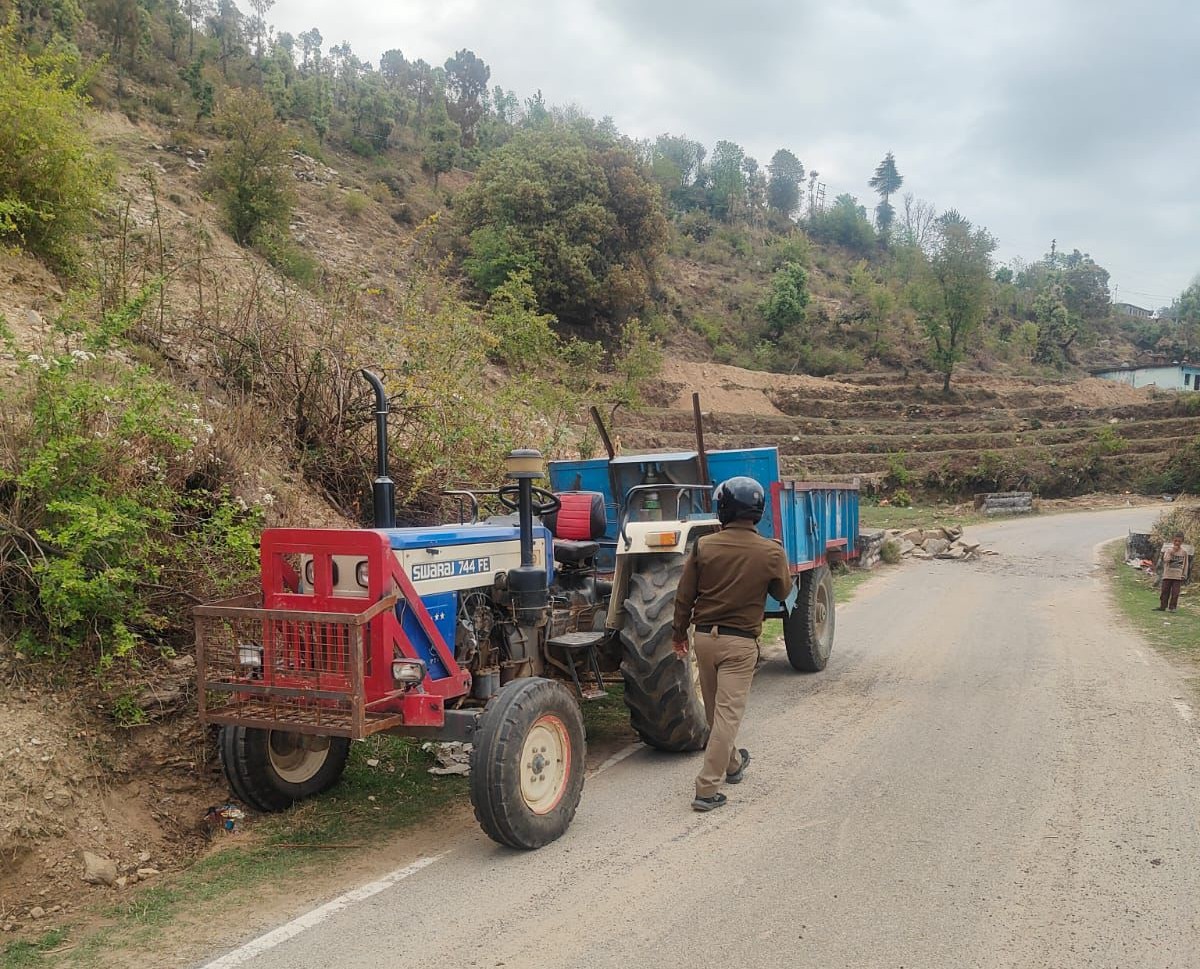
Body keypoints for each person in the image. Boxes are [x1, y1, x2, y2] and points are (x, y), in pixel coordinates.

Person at [672, 476, 792, 812]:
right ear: (757, 511)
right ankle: (706, 789)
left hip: (704, 639)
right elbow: (782, 593)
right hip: (739, 645)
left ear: (722, 508)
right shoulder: (772, 551)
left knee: (715, 711)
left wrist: (678, 634)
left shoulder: (704, 547)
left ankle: (733, 764)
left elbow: (685, 596)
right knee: (727, 716)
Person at [1156, 531, 1190, 612]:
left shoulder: (1184, 552)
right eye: (1175, 541)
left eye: (1179, 541)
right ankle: (1163, 606)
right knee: (1165, 591)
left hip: (1178, 576)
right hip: (1168, 575)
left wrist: (1184, 574)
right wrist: (1172, 552)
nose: (1177, 543)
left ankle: (1172, 607)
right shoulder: (1168, 550)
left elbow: (1185, 564)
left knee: (1175, 593)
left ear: (1182, 542)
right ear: (1173, 541)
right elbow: (1166, 560)